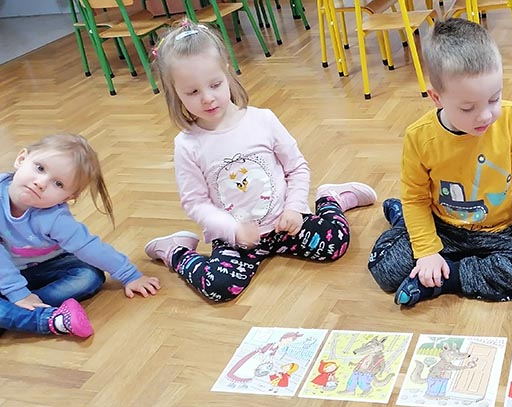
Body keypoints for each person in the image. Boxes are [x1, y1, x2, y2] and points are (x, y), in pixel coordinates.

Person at [144, 21, 376, 302]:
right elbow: (195, 203)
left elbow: (296, 168)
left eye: (215, 84)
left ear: (227, 72)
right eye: (192, 92)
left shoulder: (262, 120)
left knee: (335, 243)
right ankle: (175, 250)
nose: (207, 98)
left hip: (285, 224)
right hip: (235, 239)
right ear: (175, 93)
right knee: (219, 286)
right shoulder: (187, 145)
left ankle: (330, 199)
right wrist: (233, 230)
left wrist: (294, 208)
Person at [368, 18, 512, 307]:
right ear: (436, 98)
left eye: (494, 99)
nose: (485, 116)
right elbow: (416, 198)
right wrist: (427, 250)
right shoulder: (419, 137)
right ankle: (404, 221)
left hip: (499, 231)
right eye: (468, 107)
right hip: (443, 226)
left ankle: (447, 278)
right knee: (386, 269)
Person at [0, 134, 161, 338]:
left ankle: (18, 310)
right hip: (4, 270)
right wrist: (17, 293)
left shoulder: (55, 218)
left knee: (89, 276)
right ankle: (41, 318)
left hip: (47, 265)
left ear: (68, 197)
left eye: (58, 184)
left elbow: (89, 247)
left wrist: (130, 275)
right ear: (21, 159)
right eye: (40, 168)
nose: (41, 183)